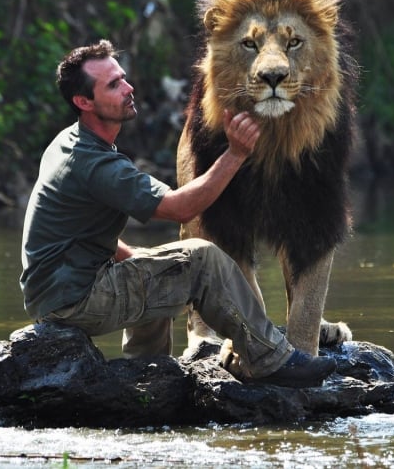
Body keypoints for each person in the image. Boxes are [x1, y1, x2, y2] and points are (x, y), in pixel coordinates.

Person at [19, 39, 336, 388]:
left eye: (123, 77)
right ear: (84, 102)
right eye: (113, 85)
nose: (129, 88)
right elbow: (181, 208)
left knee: (152, 265)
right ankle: (271, 361)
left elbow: (80, 232)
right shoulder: (95, 163)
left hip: (52, 295)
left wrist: (134, 256)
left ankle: (145, 374)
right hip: (73, 303)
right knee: (202, 259)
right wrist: (236, 154)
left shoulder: (67, 141)